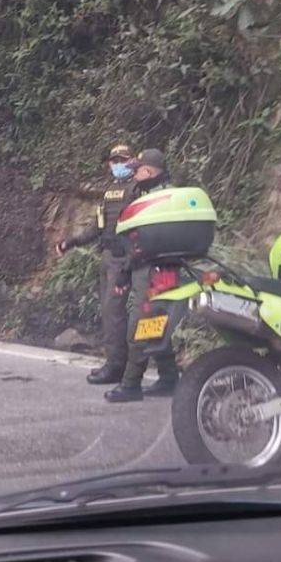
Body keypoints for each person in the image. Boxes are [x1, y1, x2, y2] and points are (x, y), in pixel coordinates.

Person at [55, 143, 139, 385]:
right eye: (114, 161)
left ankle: (117, 367)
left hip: (126, 258)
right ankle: (115, 362)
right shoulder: (111, 191)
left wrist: (129, 260)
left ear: (132, 160)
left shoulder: (137, 190)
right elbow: (98, 226)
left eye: (123, 160)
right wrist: (70, 242)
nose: (118, 165)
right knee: (108, 311)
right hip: (109, 256)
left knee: (115, 312)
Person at [104, 148, 181, 403]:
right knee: (155, 322)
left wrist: (125, 271)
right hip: (158, 269)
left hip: (150, 271)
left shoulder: (154, 200)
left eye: (137, 169)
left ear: (148, 171)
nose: (133, 173)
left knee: (140, 324)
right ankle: (169, 377)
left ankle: (131, 384)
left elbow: (143, 243)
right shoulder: (162, 195)